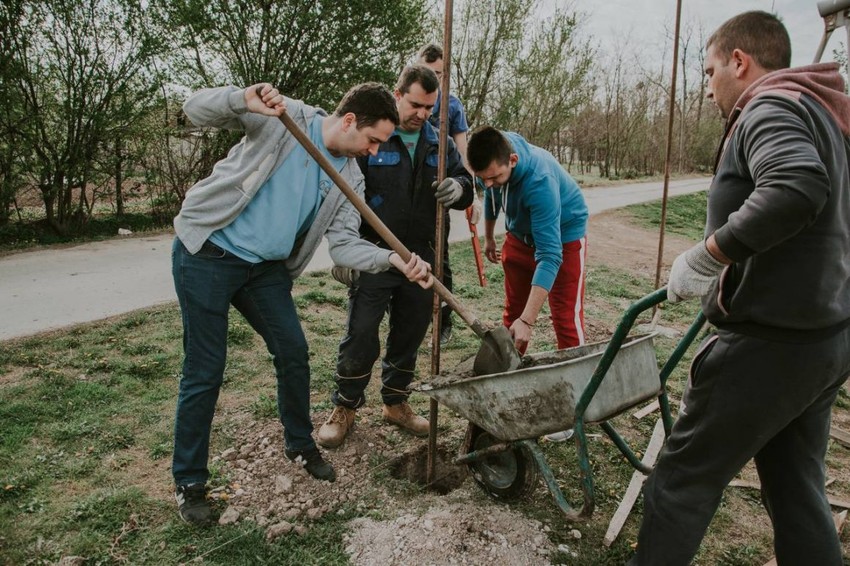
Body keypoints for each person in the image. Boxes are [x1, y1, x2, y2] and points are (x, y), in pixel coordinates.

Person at [629, 11, 850, 565]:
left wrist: (709, 256)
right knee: (797, 491)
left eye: (708, 72)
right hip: (822, 339)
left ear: (739, 61)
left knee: (679, 484)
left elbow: (797, 187)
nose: (707, 89)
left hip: (767, 343)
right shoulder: (820, 112)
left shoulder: (770, 106)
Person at [171, 81, 433, 526]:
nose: (373, 152)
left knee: (293, 352)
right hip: (209, 254)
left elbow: (346, 246)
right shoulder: (283, 118)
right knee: (205, 368)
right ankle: (190, 482)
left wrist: (391, 258)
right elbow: (192, 109)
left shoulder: (348, 175)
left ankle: (299, 443)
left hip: (264, 271)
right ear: (350, 121)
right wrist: (241, 99)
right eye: (372, 141)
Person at [318, 65, 474, 448]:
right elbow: (344, 196)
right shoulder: (374, 139)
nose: (422, 114)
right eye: (416, 104)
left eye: (430, 108)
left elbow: (468, 184)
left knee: (410, 331)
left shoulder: (440, 146)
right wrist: (347, 257)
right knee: (361, 333)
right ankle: (346, 406)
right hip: (374, 252)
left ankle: (396, 402)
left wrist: (459, 187)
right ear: (398, 93)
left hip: (421, 256)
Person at [467, 126, 588, 442]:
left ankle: (574, 406)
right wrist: (491, 234)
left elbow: (550, 256)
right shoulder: (496, 159)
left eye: (495, 177)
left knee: (565, 320)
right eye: (484, 179)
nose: (489, 184)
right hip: (519, 237)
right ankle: (510, 384)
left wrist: (529, 320)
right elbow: (492, 193)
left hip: (564, 235)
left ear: (514, 160)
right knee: (512, 315)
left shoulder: (539, 182)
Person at [418, 42, 482, 344]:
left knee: (439, 259)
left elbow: (462, 151)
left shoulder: (453, 107)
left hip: (438, 193)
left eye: (439, 73)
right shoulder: (407, 99)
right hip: (408, 191)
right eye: (428, 71)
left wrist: (471, 193)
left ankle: (442, 323)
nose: (434, 78)